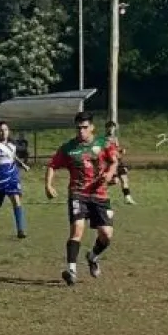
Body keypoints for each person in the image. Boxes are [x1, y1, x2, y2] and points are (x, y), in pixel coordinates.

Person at [45, 112, 119, 286]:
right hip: (78, 193)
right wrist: (48, 185)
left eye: (85, 127)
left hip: (100, 194)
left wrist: (109, 174)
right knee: (77, 230)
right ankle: (71, 271)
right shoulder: (68, 148)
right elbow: (52, 165)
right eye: (78, 128)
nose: (81, 131)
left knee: (106, 235)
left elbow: (114, 162)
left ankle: (92, 257)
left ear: (92, 127)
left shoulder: (104, 143)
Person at [105, 121, 136, 204]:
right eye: (109, 127)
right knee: (115, 181)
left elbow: (116, 148)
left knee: (124, 178)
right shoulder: (104, 139)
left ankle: (128, 198)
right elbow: (106, 151)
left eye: (113, 128)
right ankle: (101, 187)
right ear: (106, 128)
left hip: (118, 161)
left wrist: (121, 150)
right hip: (111, 162)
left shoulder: (115, 138)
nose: (111, 129)